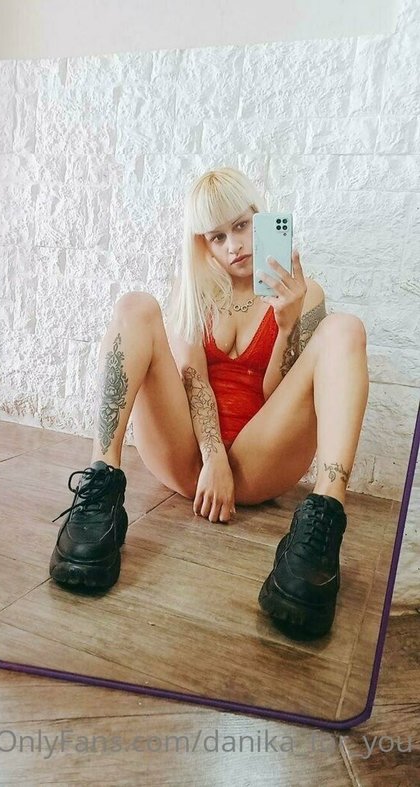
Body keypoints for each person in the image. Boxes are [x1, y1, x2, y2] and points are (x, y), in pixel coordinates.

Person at [49, 167, 369, 639]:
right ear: (202, 243)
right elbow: (192, 379)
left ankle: (323, 522)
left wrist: (286, 327)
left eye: (241, 226)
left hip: (261, 462)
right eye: (217, 236)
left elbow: (280, 399)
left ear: (261, 219)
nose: (233, 246)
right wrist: (214, 457)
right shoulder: (196, 291)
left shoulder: (303, 294)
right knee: (136, 305)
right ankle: (99, 491)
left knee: (345, 329)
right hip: (188, 460)